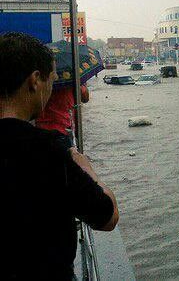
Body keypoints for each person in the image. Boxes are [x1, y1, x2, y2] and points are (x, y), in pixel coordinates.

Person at [0, 33, 119, 280]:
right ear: (35, 81)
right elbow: (107, 217)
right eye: (51, 80)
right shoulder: (48, 154)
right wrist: (87, 170)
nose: (52, 87)